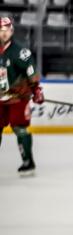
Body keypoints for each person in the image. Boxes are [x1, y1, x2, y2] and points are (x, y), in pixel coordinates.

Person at [0, 17, 44, 176]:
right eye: (1, 31)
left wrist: (36, 90)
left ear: (11, 31)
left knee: (20, 128)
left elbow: (31, 72)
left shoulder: (21, 52)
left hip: (18, 98)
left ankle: (28, 162)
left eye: (7, 30)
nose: (4, 34)